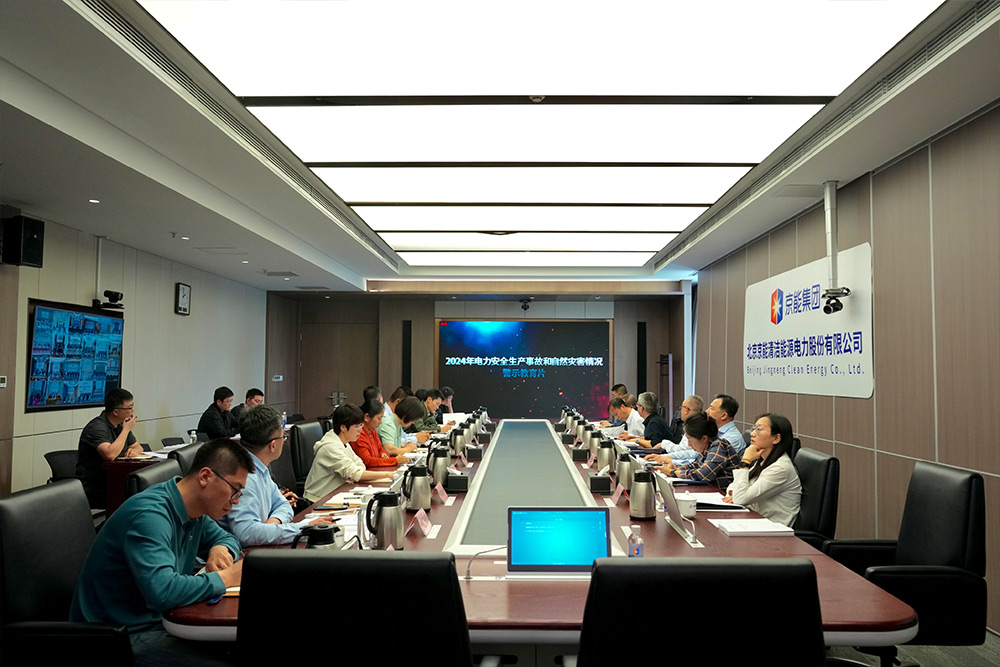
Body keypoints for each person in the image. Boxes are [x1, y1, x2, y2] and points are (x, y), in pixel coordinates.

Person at [70, 439, 249, 663]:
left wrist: (221, 549)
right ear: (205, 476)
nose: (236, 501)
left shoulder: (195, 510)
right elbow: (163, 592)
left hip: (158, 622)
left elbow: (226, 538)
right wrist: (226, 577)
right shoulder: (150, 516)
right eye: (235, 490)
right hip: (117, 638)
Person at [217, 405, 334, 546]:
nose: (284, 440)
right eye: (283, 437)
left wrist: (272, 524)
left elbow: (283, 505)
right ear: (273, 445)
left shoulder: (260, 467)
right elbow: (246, 533)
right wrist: (303, 528)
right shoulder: (244, 477)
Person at [303, 403, 396, 502]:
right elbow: (356, 474)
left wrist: (354, 475)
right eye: (357, 427)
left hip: (336, 494)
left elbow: (360, 466)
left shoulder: (344, 442)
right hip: (318, 499)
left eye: (361, 426)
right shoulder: (330, 447)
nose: (360, 431)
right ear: (343, 427)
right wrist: (388, 475)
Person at [724, 413, 802, 526]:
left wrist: (745, 462)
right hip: (754, 520)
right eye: (754, 428)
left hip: (773, 528)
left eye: (759, 429)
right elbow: (733, 487)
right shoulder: (763, 460)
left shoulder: (780, 468)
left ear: (776, 438)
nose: (752, 434)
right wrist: (734, 495)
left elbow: (740, 499)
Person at [76, 387, 144, 508]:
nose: (132, 411)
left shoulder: (120, 425)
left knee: (142, 489)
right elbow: (110, 455)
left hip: (114, 479)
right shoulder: (97, 427)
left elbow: (138, 447)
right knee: (137, 494)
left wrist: (133, 451)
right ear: (116, 412)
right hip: (95, 485)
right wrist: (126, 430)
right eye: (129, 408)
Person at [649, 411, 739, 491]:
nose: (689, 445)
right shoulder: (707, 447)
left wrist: (672, 472)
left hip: (724, 497)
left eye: (690, 440)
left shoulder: (719, 446)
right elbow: (694, 466)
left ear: (704, 438)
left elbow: (702, 475)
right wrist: (676, 469)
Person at [351, 398, 411, 468]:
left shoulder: (372, 430)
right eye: (379, 418)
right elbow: (368, 461)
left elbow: (380, 448)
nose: (381, 422)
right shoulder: (359, 434)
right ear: (367, 417)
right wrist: (395, 460)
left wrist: (383, 454)